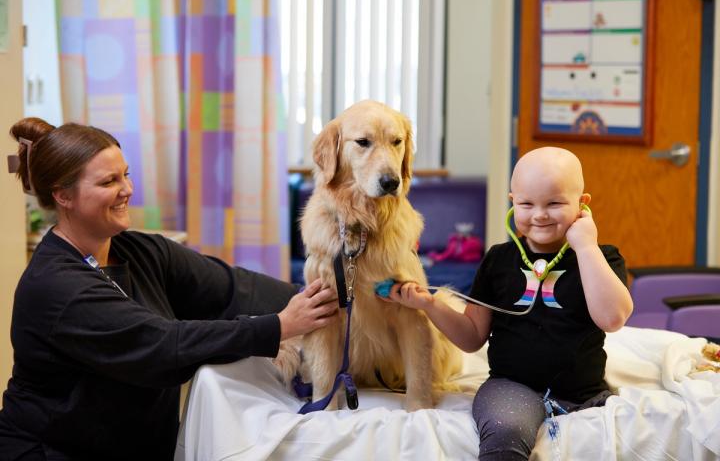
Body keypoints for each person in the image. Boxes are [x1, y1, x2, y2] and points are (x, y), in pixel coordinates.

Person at [0, 117, 339, 460]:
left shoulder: (141, 252)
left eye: (126, 174)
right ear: (63, 195)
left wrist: (331, 299)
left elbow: (234, 288)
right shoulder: (55, 287)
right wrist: (279, 326)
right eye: (109, 181)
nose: (127, 190)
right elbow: (162, 345)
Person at [383, 146, 633, 460]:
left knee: (615, 440)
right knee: (505, 431)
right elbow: (472, 336)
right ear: (513, 202)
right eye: (527, 204)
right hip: (511, 387)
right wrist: (431, 305)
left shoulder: (601, 257)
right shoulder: (499, 260)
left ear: (582, 205)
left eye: (554, 203)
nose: (540, 214)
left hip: (584, 392)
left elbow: (612, 318)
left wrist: (585, 247)